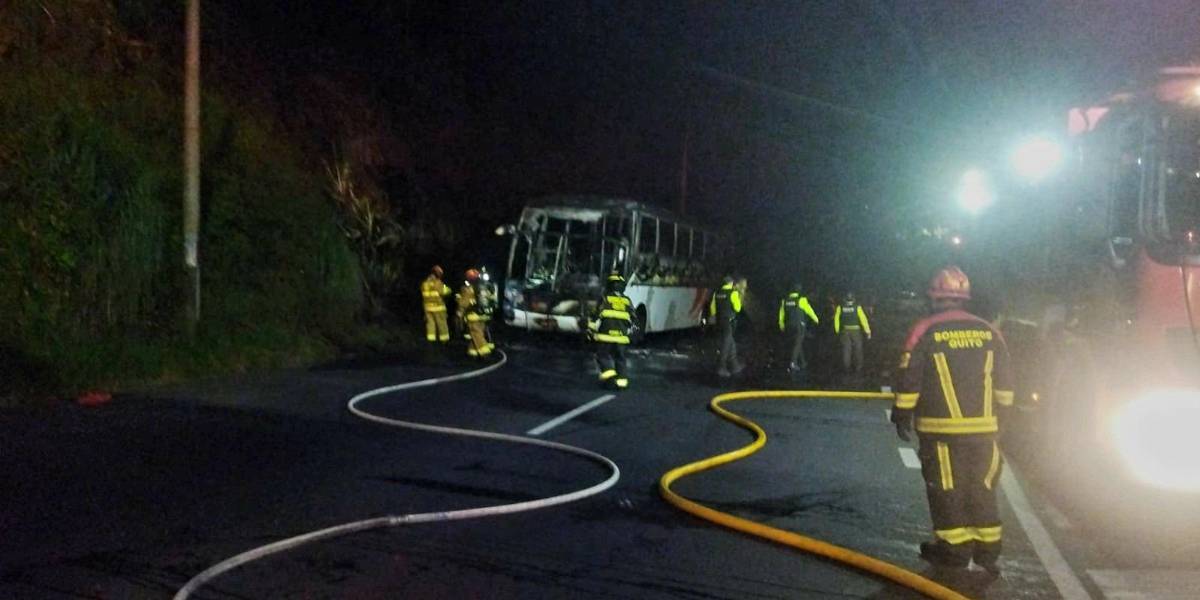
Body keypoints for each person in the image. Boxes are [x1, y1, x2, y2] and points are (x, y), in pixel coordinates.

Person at [890, 266, 1014, 575]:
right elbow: (1006, 380)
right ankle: (988, 549)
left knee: (947, 488)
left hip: (940, 429)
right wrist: (1005, 416)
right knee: (981, 485)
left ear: (934, 297)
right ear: (964, 298)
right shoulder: (989, 331)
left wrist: (902, 412)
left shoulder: (925, 330)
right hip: (985, 430)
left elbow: (910, 378)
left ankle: (954, 550)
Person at [588, 272, 635, 389]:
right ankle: (621, 383)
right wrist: (630, 334)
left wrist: (590, 331)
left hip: (605, 336)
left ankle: (609, 375)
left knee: (603, 356)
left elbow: (595, 316)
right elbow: (633, 319)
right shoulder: (627, 301)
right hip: (622, 338)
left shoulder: (604, 299)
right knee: (620, 359)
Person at [709, 275, 746, 378]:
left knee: (731, 343)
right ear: (730, 283)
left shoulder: (717, 293)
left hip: (719, 320)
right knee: (726, 345)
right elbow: (738, 308)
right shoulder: (733, 293)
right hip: (729, 321)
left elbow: (713, 308)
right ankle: (721, 367)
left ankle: (735, 365)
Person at [778, 282, 819, 372]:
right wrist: (816, 319)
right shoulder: (801, 299)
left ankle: (803, 362)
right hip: (800, 325)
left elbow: (781, 313)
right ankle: (793, 363)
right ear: (799, 290)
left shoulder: (785, 300)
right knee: (798, 343)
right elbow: (809, 310)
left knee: (797, 343)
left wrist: (781, 323)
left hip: (789, 325)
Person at [458, 268, 495, 358]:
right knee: (477, 333)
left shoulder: (469, 289)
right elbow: (492, 299)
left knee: (476, 334)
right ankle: (472, 352)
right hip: (485, 314)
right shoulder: (485, 287)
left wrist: (459, 313)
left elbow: (464, 303)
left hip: (473, 315)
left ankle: (485, 353)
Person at [834, 291, 871, 375]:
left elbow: (836, 319)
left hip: (845, 330)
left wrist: (837, 330)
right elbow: (863, 319)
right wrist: (867, 331)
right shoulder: (857, 307)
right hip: (856, 331)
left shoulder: (840, 307)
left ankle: (846, 367)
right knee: (858, 349)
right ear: (853, 298)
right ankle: (859, 366)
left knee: (846, 349)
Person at [420, 265, 452, 343]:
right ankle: (444, 340)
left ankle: (431, 339)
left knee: (430, 324)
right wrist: (447, 288)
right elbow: (445, 292)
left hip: (428, 308)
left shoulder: (424, 284)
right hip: (439, 307)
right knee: (442, 324)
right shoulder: (437, 282)